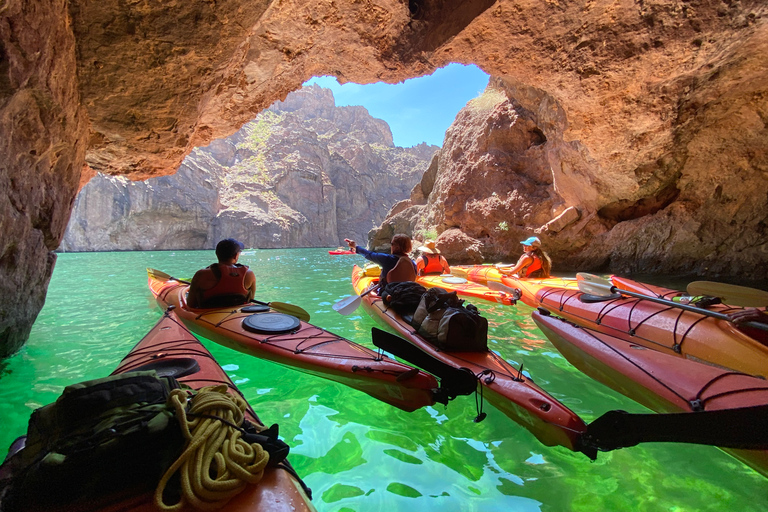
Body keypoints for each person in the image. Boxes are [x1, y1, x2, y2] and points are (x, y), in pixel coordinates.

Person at [187, 238, 257, 308]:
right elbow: (250, 301)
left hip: (207, 315)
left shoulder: (201, 275)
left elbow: (190, 304)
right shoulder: (249, 274)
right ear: (236, 256)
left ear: (217, 254)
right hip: (237, 315)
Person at [345, 234, 417, 287]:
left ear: (397, 247)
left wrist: (355, 246)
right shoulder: (413, 263)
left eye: (392, 244)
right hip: (406, 291)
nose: (391, 246)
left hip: (388, 292)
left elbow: (368, 254)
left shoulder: (386, 259)